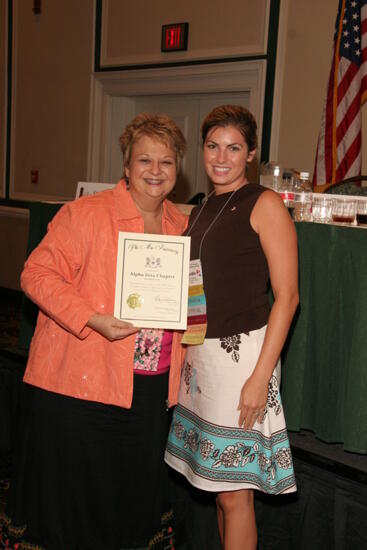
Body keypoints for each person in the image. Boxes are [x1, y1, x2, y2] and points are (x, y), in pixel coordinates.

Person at [1, 113, 188, 550]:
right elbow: (36, 274)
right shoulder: (85, 214)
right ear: (126, 166)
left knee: (128, 503)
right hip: (79, 385)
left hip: (148, 388)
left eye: (166, 162)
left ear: (178, 169)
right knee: (73, 506)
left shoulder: (181, 225)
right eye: (145, 160)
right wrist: (91, 317)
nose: (155, 172)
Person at [165, 105, 299, 550]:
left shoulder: (264, 203)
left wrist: (260, 378)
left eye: (234, 148)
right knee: (221, 491)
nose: (222, 157)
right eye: (213, 146)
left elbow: (288, 297)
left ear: (251, 154)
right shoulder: (205, 207)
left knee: (234, 493)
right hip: (203, 358)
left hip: (242, 361)